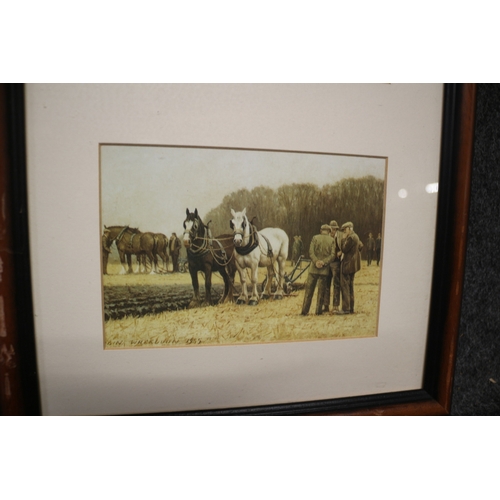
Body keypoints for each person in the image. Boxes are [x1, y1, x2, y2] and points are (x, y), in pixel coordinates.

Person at [301, 225, 337, 316]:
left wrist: (316, 261)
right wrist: (323, 262)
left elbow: (311, 252)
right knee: (321, 292)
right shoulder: (332, 240)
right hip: (324, 270)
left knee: (308, 291)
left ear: (321, 230)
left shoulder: (314, 238)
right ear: (329, 231)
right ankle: (318, 311)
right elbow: (332, 255)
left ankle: (304, 311)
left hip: (313, 269)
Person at [337, 222, 362, 315]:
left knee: (345, 287)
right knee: (350, 286)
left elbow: (344, 249)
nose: (344, 232)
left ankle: (345, 308)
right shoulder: (356, 236)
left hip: (347, 265)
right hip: (353, 265)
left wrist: (343, 239)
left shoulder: (350, 237)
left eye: (345, 229)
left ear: (349, 229)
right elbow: (361, 246)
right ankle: (351, 308)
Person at [323, 220, 342, 313]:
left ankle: (335, 306)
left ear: (336, 229)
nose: (332, 231)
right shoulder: (326, 238)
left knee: (336, 284)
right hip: (327, 264)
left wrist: (341, 252)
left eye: (334, 229)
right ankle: (326, 305)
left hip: (336, 263)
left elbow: (346, 247)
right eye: (331, 229)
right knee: (326, 285)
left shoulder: (340, 237)